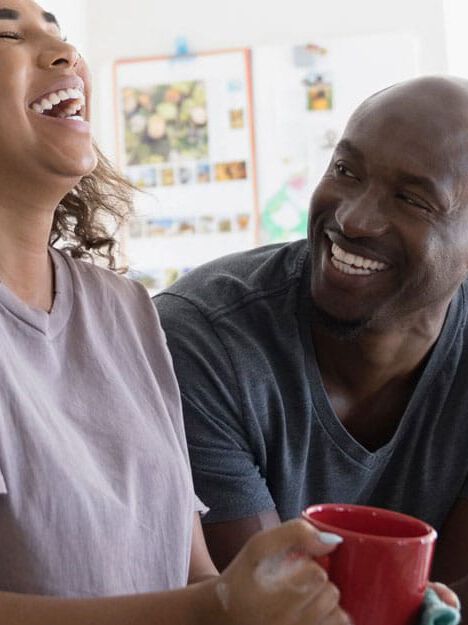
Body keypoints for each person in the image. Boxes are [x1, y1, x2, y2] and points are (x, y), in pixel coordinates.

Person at [0, 1, 353, 624]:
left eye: (59, 35)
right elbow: (202, 600)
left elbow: (189, 569)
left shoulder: (125, 309)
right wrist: (214, 608)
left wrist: (262, 604)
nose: (65, 56)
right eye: (8, 35)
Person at [154, 74, 468, 612]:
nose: (353, 218)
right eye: (346, 170)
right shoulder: (203, 340)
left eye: (412, 199)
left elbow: (448, 604)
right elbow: (268, 604)